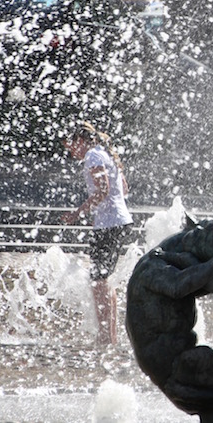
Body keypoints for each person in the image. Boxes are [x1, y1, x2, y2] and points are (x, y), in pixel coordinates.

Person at [61, 121, 134, 346]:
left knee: (98, 281)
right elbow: (124, 188)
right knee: (103, 280)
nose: (71, 153)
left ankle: (104, 338)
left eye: (71, 146)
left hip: (109, 225)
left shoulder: (93, 155)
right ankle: (109, 338)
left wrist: (78, 213)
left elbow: (103, 190)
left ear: (80, 140)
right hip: (119, 222)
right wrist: (102, 212)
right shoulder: (106, 153)